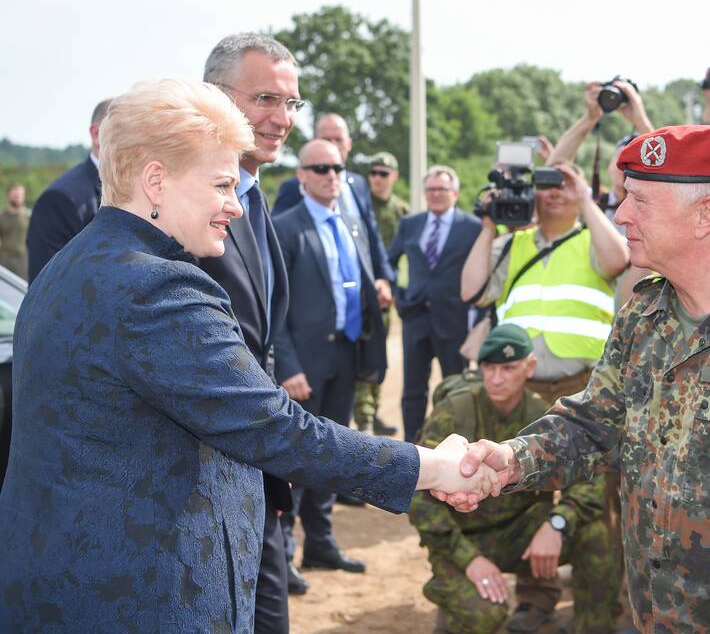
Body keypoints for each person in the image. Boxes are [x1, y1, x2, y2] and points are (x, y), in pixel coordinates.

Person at [0, 78, 497, 632]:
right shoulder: (158, 291)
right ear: (155, 181)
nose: (236, 206)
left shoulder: (68, 265)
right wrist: (432, 467)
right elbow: (277, 428)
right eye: (220, 185)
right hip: (138, 598)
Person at [444, 125, 710, 632]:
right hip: (657, 613)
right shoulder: (643, 312)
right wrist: (511, 460)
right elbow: (596, 426)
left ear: (706, 215)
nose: (621, 214)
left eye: (639, 200)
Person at [411, 324, 619, 634]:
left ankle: (592, 626)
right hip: (464, 538)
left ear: (530, 367)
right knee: (483, 615)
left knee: (596, 534)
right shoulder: (455, 412)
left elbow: (593, 482)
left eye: (508, 368)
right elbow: (418, 496)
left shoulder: (543, 415)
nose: (496, 378)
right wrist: (469, 559)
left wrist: (557, 525)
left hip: (522, 533)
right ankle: (457, 606)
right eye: (489, 367)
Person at [198, 31, 308, 618]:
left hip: (254, 462)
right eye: (266, 99)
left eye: (292, 103)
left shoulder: (254, 196)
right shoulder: (185, 207)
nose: (282, 118)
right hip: (198, 479)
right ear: (216, 96)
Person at [272, 138, 387, 577]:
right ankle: (283, 557)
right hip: (304, 365)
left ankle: (320, 544)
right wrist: (287, 366)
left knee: (332, 454)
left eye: (337, 167)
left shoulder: (351, 225)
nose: (331, 175)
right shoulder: (285, 227)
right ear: (301, 175)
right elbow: (272, 308)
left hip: (346, 355)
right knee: (297, 461)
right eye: (320, 168)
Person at [460, 160, 629, 405]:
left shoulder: (592, 240)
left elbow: (618, 260)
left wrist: (585, 199)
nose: (554, 192)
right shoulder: (511, 244)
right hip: (520, 387)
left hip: (583, 384)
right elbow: (470, 292)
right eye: (546, 185)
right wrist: (488, 226)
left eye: (564, 185)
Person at [388, 166, 482, 443]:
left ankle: (454, 442)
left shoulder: (473, 227)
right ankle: (411, 447)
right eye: (431, 190)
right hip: (415, 316)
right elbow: (388, 260)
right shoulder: (410, 224)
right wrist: (395, 291)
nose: (436, 195)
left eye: (442, 189)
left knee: (456, 387)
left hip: (455, 319)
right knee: (413, 390)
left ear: (455, 193)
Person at [352, 151, 410, 438]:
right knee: (358, 355)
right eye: (373, 173)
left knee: (378, 356)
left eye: (383, 174)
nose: (377, 178)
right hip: (360, 291)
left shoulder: (402, 211)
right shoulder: (360, 205)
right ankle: (362, 417)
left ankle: (371, 414)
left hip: (386, 294)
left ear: (394, 177)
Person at [26, 97, 111, 282]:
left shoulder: (150, 194)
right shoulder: (59, 200)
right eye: (124, 132)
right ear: (97, 134)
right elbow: (46, 289)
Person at [0, 184, 31, 278]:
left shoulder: (29, 216)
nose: (17, 197)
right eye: (15, 194)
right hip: (4, 260)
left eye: (19, 195)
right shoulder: (2, 217)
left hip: (23, 261)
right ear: (8, 195)